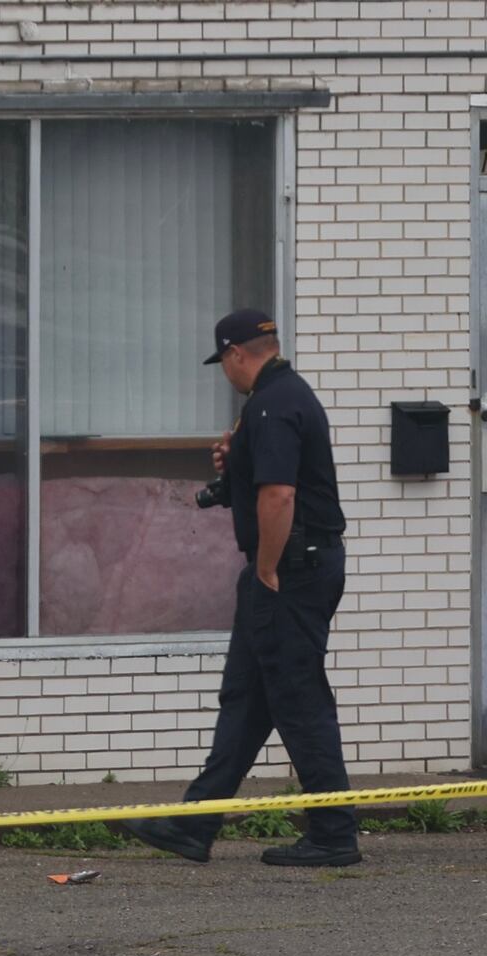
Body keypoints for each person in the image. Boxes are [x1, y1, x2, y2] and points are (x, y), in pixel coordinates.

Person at [126, 309, 359, 867]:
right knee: (247, 698)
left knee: (298, 696)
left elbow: (280, 496)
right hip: (295, 565)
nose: (224, 374)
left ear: (236, 353)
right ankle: (194, 824)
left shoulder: (272, 404)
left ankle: (333, 833)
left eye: (222, 364)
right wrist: (236, 465)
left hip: (289, 570)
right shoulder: (281, 399)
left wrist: (267, 570)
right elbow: (264, 485)